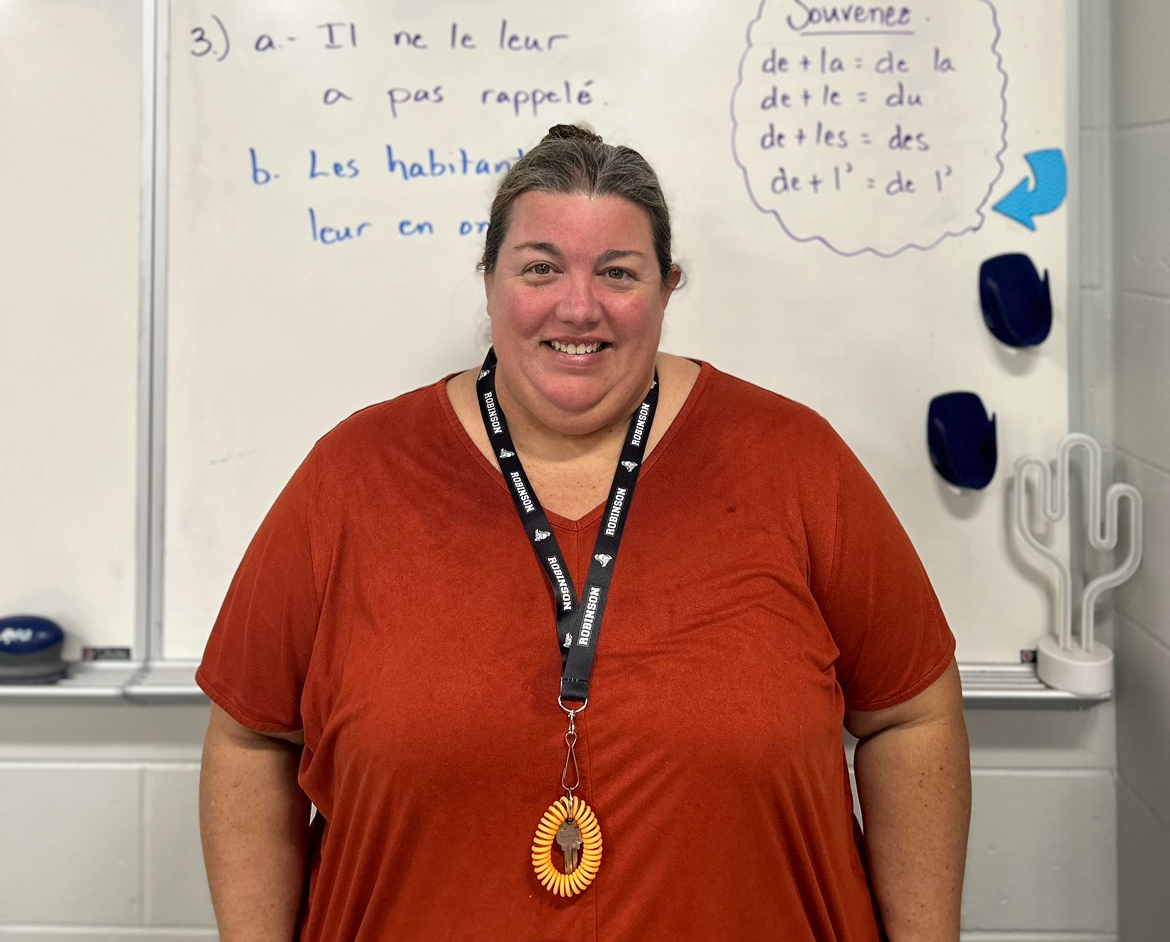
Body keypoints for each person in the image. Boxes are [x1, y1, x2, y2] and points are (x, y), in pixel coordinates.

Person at [198, 124, 971, 942]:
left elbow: (911, 713)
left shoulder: (793, 463)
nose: (578, 307)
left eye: (618, 273)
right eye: (540, 268)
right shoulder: (352, 476)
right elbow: (251, 738)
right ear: (490, 283)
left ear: (667, 289)